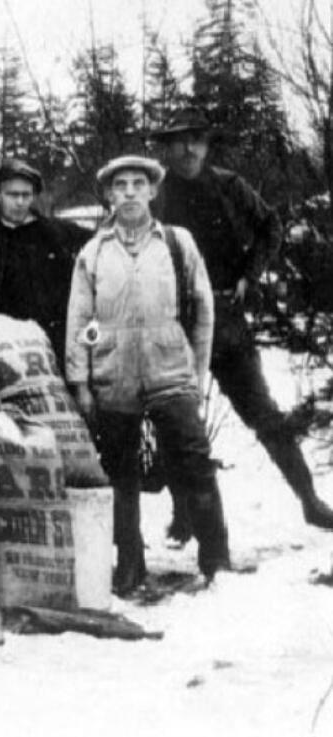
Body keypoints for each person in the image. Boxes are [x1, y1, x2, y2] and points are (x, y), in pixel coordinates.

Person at [152, 107, 333, 533]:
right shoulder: (156, 193)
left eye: (197, 139)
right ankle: (184, 516)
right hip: (176, 322)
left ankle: (309, 500)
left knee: (263, 413)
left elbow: (271, 226)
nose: (189, 149)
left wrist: (249, 277)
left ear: (207, 143)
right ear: (168, 147)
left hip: (227, 317)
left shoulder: (230, 186)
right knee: (177, 420)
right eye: (179, 141)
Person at [66, 154, 230, 594]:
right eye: (121, 186)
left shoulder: (177, 243)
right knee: (120, 474)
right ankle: (130, 564)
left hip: (171, 372)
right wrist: (81, 382)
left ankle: (217, 561)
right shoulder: (94, 253)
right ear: (108, 195)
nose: (131, 193)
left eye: (139, 184)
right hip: (113, 375)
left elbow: (204, 311)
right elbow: (80, 321)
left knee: (195, 463)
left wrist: (197, 371)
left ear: (154, 191)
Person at [0, 158, 89, 363]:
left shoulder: (57, 233)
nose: (20, 202)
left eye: (26, 195)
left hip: (59, 341)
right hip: (10, 344)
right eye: (12, 195)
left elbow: (99, 244)